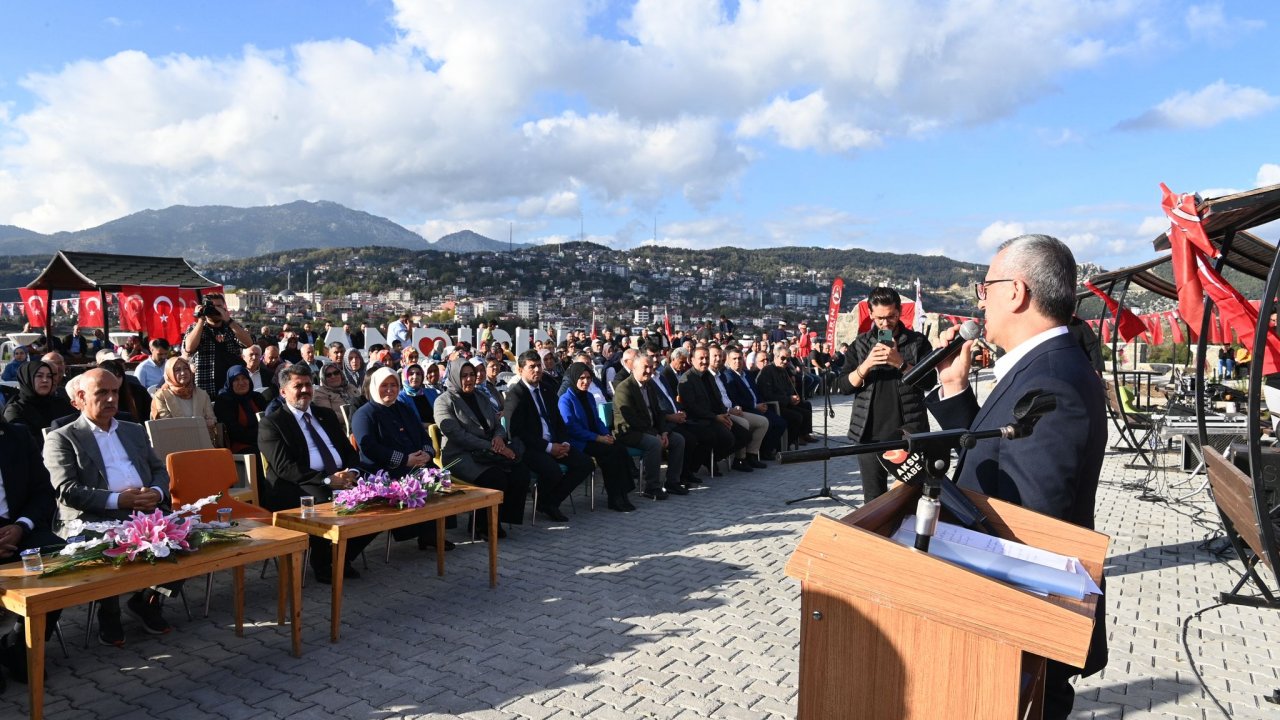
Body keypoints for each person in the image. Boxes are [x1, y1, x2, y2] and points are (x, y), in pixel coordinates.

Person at [927, 233, 1108, 720]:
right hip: (1018, 626)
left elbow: (1031, 523)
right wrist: (956, 390)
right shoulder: (1046, 365)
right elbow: (1003, 453)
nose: (979, 301)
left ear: (1016, 292)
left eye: (984, 288)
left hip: (1023, 629)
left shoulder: (1051, 379)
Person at [45, 369, 179, 644]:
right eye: (102, 393)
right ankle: (109, 613)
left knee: (185, 536)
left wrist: (154, 492)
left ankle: (148, 600)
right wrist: (119, 500)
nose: (111, 398)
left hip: (143, 508)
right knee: (109, 546)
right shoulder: (62, 438)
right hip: (94, 517)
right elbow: (67, 491)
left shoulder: (132, 429)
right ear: (79, 399)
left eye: (115, 392)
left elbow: (159, 470)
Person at [257, 364, 371, 583]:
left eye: (308, 384)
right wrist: (329, 480)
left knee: (373, 498)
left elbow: (349, 452)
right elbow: (285, 468)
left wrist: (353, 473)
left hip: (340, 478)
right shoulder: (272, 424)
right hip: (296, 485)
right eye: (297, 385)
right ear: (283, 392)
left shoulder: (325, 415)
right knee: (325, 502)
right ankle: (323, 564)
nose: (304, 390)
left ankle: (341, 556)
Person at [835, 286, 935, 502]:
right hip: (869, 434)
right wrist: (867, 365)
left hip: (909, 431)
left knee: (914, 496)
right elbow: (843, 386)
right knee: (873, 499)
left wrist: (901, 363)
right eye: (879, 318)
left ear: (899, 312)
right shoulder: (860, 344)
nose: (885, 323)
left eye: (891, 317)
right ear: (870, 313)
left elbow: (930, 381)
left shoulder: (917, 343)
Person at [350, 367, 446, 550]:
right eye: (384, 385)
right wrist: (404, 459)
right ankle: (421, 532)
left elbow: (422, 434)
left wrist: (428, 453)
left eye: (393, 385)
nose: (390, 389)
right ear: (374, 386)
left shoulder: (403, 408)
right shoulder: (364, 414)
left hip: (416, 463)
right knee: (416, 481)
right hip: (384, 470)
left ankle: (431, 534)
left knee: (438, 478)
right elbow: (369, 448)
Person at [0, 417, 63, 687]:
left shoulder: (17, 435)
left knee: (59, 559)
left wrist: (21, 526)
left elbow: (42, 492)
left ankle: (19, 644)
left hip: (17, 526)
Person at [434, 358, 528, 534]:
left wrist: (499, 438)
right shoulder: (444, 401)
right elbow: (457, 435)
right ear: (455, 376)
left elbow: (497, 424)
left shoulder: (481, 396)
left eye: (471, 375)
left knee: (520, 472)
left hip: (488, 450)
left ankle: (498, 518)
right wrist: (492, 447)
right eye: (464, 376)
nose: (469, 379)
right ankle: (485, 525)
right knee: (495, 478)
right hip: (459, 455)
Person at [504, 350, 591, 522]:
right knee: (553, 470)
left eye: (538, 366)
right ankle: (546, 503)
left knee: (585, 464)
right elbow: (517, 433)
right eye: (532, 367)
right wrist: (549, 448)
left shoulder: (547, 389)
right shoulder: (516, 395)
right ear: (520, 370)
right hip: (531, 448)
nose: (537, 370)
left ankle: (549, 502)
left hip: (555, 442)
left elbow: (558, 421)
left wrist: (564, 442)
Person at [558, 361, 637, 512]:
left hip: (594, 437)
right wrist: (597, 438)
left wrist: (606, 433)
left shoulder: (588, 396)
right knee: (610, 453)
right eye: (582, 378)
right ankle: (614, 497)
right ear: (574, 379)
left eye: (588, 378)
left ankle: (622, 493)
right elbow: (572, 428)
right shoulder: (565, 399)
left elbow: (597, 420)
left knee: (619, 448)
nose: (586, 381)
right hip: (579, 441)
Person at [613, 354, 690, 507]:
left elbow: (659, 412)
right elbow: (632, 420)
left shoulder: (650, 386)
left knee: (678, 440)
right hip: (628, 432)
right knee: (654, 444)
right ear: (634, 369)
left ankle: (672, 482)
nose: (649, 371)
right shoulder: (624, 388)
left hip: (651, 429)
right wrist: (655, 434)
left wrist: (664, 432)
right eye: (645, 367)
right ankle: (651, 487)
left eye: (650, 367)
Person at [678, 346, 750, 475]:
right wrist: (715, 417)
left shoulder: (708, 376)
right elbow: (693, 408)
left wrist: (724, 414)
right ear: (692, 360)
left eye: (706, 358)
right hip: (700, 420)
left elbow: (717, 398)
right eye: (701, 358)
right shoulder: (687, 380)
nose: (705, 361)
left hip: (716, 416)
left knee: (744, 435)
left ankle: (712, 459)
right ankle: (697, 465)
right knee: (726, 438)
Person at [708, 345, 770, 469]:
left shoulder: (720, 375)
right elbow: (713, 402)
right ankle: (739, 459)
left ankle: (751, 455)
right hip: (722, 413)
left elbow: (730, 396)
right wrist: (729, 409)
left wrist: (736, 406)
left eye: (720, 356)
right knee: (744, 423)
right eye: (714, 356)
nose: (718, 359)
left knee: (763, 422)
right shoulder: (710, 377)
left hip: (733, 409)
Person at [722, 346, 787, 461]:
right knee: (767, 422)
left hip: (758, 406)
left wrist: (761, 403)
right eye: (734, 359)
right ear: (728, 360)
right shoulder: (728, 376)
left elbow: (756, 391)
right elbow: (735, 399)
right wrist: (754, 406)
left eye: (740, 358)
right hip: (746, 408)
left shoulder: (747, 374)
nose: (738, 361)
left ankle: (766, 451)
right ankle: (756, 454)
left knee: (780, 422)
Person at [182, 292, 252, 394]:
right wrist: (201, 319)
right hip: (206, 387)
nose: (215, 309)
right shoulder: (195, 328)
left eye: (219, 306)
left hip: (232, 387)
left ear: (224, 307)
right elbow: (189, 348)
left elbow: (248, 343)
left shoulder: (232, 327)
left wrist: (228, 320)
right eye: (212, 306)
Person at [3, 361, 74, 444]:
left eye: (49, 376)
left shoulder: (60, 403)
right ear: (27, 379)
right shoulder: (15, 410)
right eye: (39, 376)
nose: (45, 380)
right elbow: (22, 442)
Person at [756, 347, 816, 445]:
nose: (785, 361)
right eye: (783, 358)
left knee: (806, 406)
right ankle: (787, 443)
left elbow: (788, 388)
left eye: (787, 359)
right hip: (775, 405)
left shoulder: (783, 370)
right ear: (776, 357)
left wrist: (793, 396)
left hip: (785, 402)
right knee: (797, 416)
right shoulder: (767, 371)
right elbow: (768, 395)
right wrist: (788, 399)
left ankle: (803, 434)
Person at [151, 357, 217, 436]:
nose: (183, 373)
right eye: (177, 370)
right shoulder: (161, 396)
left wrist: (210, 422)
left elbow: (212, 419)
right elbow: (166, 424)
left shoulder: (201, 394)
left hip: (201, 439)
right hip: (175, 441)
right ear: (170, 373)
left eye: (186, 368)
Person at [213, 365, 267, 455]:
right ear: (230, 382)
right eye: (236, 380)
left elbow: (268, 419)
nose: (241, 383)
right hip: (239, 445)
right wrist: (260, 437)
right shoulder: (224, 401)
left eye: (244, 378)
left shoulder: (257, 397)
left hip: (263, 439)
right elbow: (233, 431)